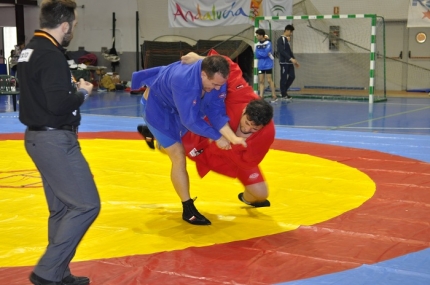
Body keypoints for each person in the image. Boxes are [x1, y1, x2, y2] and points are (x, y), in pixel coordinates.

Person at [17, 1, 100, 285]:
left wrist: (68, 89)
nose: (73, 31)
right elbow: (58, 104)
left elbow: (44, 93)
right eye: (74, 26)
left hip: (38, 137)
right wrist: (82, 92)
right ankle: (47, 271)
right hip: (54, 139)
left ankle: (59, 272)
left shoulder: (30, 50)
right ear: (64, 25)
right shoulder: (50, 54)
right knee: (87, 205)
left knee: (63, 208)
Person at [143, 50, 275, 208]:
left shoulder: (267, 133)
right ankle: (157, 138)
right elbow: (229, 68)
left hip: (232, 159)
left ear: (263, 127)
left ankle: (247, 198)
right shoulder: (243, 96)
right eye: (246, 122)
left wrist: (231, 144)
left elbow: (249, 162)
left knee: (261, 195)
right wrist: (201, 59)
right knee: (176, 150)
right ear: (245, 110)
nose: (247, 129)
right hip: (203, 142)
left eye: (254, 129)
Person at [131, 54, 247, 226]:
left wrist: (232, 137)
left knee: (174, 144)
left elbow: (216, 112)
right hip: (157, 107)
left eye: (220, 85)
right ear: (202, 75)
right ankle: (187, 208)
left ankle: (150, 133)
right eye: (214, 84)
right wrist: (217, 137)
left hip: (176, 105)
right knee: (178, 154)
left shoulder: (216, 78)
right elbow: (190, 121)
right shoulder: (183, 81)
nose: (217, 89)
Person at [277, 24, 300, 100]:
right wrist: (290, 58)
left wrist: (294, 60)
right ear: (286, 30)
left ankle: (283, 91)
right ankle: (283, 94)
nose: (291, 33)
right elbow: (281, 51)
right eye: (290, 31)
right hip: (284, 62)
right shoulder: (280, 39)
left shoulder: (287, 40)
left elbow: (289, 51)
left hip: (289, 62)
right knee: (283, 78)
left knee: (292, 76)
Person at [255, 28, 277, 103]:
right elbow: (257, 55)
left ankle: (274, 95)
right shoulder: (257, 44)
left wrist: (263, 54)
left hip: (268, 64)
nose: (256, 36)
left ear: (261, 35)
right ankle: (261, 96)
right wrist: (263, 54)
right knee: (261, 80)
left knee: (269, 80)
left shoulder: (268, 43)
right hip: (260, 65)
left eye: (257, 35)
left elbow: (265, 53)